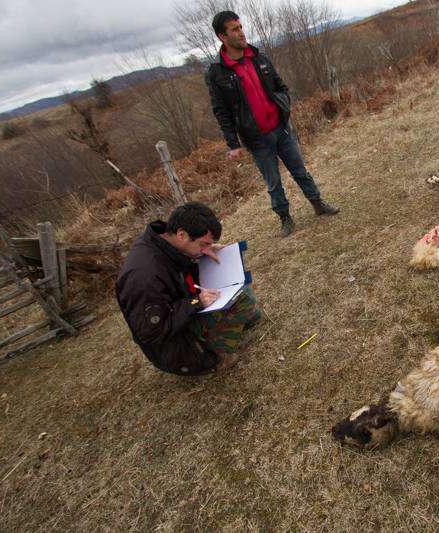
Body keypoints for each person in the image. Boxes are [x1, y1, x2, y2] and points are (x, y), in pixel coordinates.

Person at [205, 10, 339, 238]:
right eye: (234, 29)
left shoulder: (259, 57)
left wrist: (283, 106)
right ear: (222, 37)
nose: (241, 32)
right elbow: (221, 112)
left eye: (240, 26)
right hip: (256, 139)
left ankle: (317, 203)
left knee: (300, 171)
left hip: (281, 128)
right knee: (273, 182)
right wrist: (233, 144)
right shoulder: (217, 72)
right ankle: (285, 218)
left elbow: (281, 86)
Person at [115, 202, 261, 375]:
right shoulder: (143, 276)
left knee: (247, 301)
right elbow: (150, 333)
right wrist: (195, 302)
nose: (205, 249)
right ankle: (211, 354)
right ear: (182, 234)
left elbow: (177, 273)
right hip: (175, 346)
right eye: (203, 244)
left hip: (182, 312)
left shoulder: (167, 241)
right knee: (244, 302)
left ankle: (223, 326)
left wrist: (203, 253)